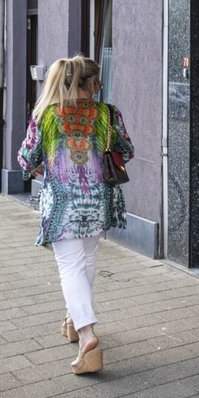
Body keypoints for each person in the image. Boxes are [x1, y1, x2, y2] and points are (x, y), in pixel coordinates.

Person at [17, 55, 133, 374]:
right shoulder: (108, 113)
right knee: (87, 259)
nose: (100, 87)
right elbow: (127, 151)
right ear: (91, 83)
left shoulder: (47, 115)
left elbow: (27, 158)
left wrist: (46, 165)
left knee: (70, 266)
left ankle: (86, 333)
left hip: (62, 201)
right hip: (98, 199)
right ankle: (72, 319)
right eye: (98, 82)